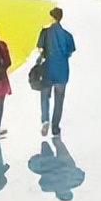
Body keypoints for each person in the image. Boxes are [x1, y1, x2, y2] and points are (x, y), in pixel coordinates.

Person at [36, 7, 76, 137]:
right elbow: (70, 52)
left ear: (52, 17)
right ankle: (55, 127)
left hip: (48, 69)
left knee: (44, 96)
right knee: (59, 100)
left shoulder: (45, 32)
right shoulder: (67, 35)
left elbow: (41, 50)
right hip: (62, 70)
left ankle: (45, 119)